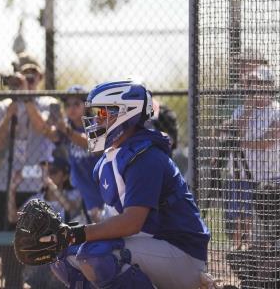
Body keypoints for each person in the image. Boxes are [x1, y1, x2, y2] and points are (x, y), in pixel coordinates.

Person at [48, 80, 210, 288]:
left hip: (182, 254)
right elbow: (113, 221)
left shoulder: (145, 156)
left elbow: (131, 223)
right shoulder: (113, 155)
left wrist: (78, 233)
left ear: (126, 114)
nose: (96, 119)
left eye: (104, 113)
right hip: (152, 246)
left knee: (95, 254)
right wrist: (66, 234)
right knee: (64, 253)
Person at [0, 57, 58, 288]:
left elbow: (45, 129)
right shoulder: (3, 106)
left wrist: (26, 99)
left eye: (32, 78)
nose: (27, 82)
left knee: (38, 239)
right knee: (9, 242)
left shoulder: (50, 103)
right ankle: (12, 283)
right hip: (8, 182)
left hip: (38, 183)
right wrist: (10, 112)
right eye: (23, 77)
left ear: (39, 79)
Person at [225, 65, 280, 284]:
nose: (253, 89)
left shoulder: (277, 110)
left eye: (258, 84)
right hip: (249, 179)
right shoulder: (241, 110)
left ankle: (271, 276)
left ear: (269, 87)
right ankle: (257, 278)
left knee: (273, 234)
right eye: (251, 85)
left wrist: (242, 142)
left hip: (274, 181)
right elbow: (235, 133)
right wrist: (248, 108)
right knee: (256, 237)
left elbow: (268, 141)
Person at [8, 158, 82, 289]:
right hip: (41, 254)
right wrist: (12, 189)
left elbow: (69, 207)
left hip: (63, 253)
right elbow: (13, 217)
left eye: (53, 171)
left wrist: (50, 184)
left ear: (65, 176)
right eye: (46, 172)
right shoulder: (36, 199)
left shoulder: (74, 194)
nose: (48, 175)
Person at [52, 85, 104, 223]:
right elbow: (53, 137)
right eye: (68, 105)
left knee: (101, 224)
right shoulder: (66, 124)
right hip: (80, 187)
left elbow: (95, 146)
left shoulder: (96, 122)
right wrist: (51, 123)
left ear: (86, 105)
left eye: (76, 104)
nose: (71, 108)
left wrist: (68, 132)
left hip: (99, 184)